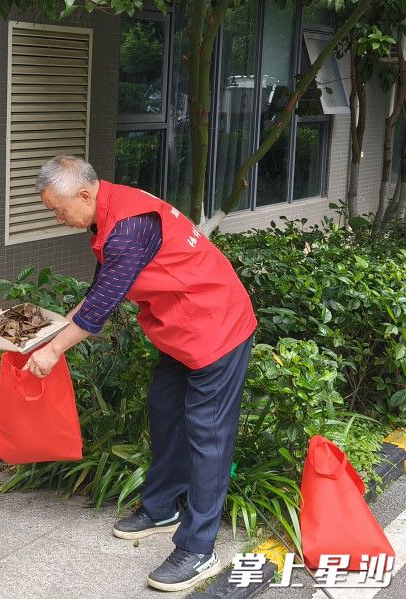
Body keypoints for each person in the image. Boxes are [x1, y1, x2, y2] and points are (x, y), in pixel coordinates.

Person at [24, 155, 257, 592]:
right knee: (165, 411)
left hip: (215, 328)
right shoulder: (111, 212)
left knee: (207, 435)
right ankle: (162, 507)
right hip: (180, 329)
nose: (58, 218)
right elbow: (102, 291)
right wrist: (52, 330)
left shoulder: (129, 225)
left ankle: (199, 548)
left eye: (58, 209)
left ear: (84, 194)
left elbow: (101, 308)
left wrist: (53, 349)